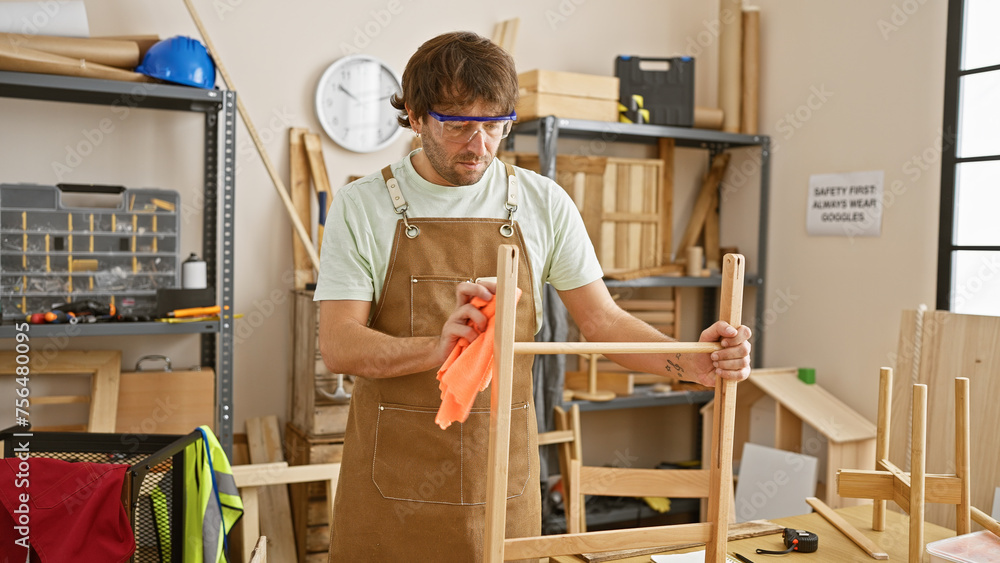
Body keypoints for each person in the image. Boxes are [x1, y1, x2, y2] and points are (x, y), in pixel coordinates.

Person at [313, 31, 752, 562]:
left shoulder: (543, 202)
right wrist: (437, 349)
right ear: (414, 114)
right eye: (457, 125)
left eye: (494, 124)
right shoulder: (363, 206)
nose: (479, 146)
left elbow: (604, 323)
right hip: (390, 490)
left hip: (504, 480)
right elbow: (339, 346)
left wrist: (691, 362)